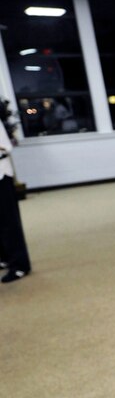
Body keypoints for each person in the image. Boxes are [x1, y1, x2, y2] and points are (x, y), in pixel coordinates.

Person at [0, 114, 31, 283]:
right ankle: (4, 257)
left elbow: (6, 147)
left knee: (8, 223)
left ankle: (20, 265)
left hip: (1, 176)